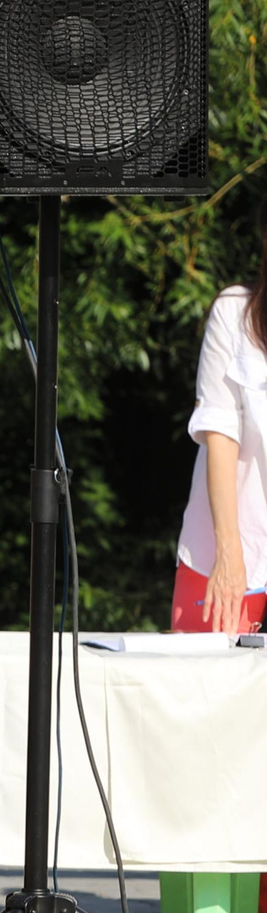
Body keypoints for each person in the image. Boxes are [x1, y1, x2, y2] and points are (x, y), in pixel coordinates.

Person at [173, 262, 267, 634]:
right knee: (201, 685)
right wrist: (228, 552)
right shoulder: (235, 310)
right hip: (230, 554)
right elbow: (220, 432)